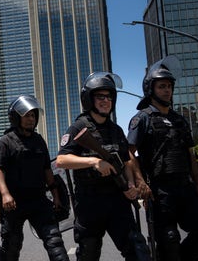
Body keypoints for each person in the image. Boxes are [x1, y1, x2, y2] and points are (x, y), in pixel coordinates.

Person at [128, 57, 198, 261]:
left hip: (185, 187)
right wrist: (141, 182)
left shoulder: (179, 120)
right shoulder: (142, 118)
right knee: (169, 240)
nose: (167, 90)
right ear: (151, 89)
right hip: (160, 191)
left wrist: (197, 185)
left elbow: (190, 156)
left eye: (169, 86)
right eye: (161, 86)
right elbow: (129, 153)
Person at [56, 72, 150, 260]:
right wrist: (94, 161)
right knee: (89, 254)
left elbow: (126, 161)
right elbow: (61, 160)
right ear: (89, 99)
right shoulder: (78, 127)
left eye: (109, 97)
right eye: (100, 96)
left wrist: (130, 184)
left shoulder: (116, 130)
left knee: (139, 251)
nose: (105, 101)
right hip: (90, 202)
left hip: (118, 201)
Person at [0, 95, 69, 261]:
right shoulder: (6, 141)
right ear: (15, 117)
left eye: (33, 115)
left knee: (55, 242)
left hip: (38, 200)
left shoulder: (39, 140)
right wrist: (5, 194)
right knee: (11, 247)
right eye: (26, 115)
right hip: (14, 203)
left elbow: (47, 170)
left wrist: (56, 196)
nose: (30, 119)